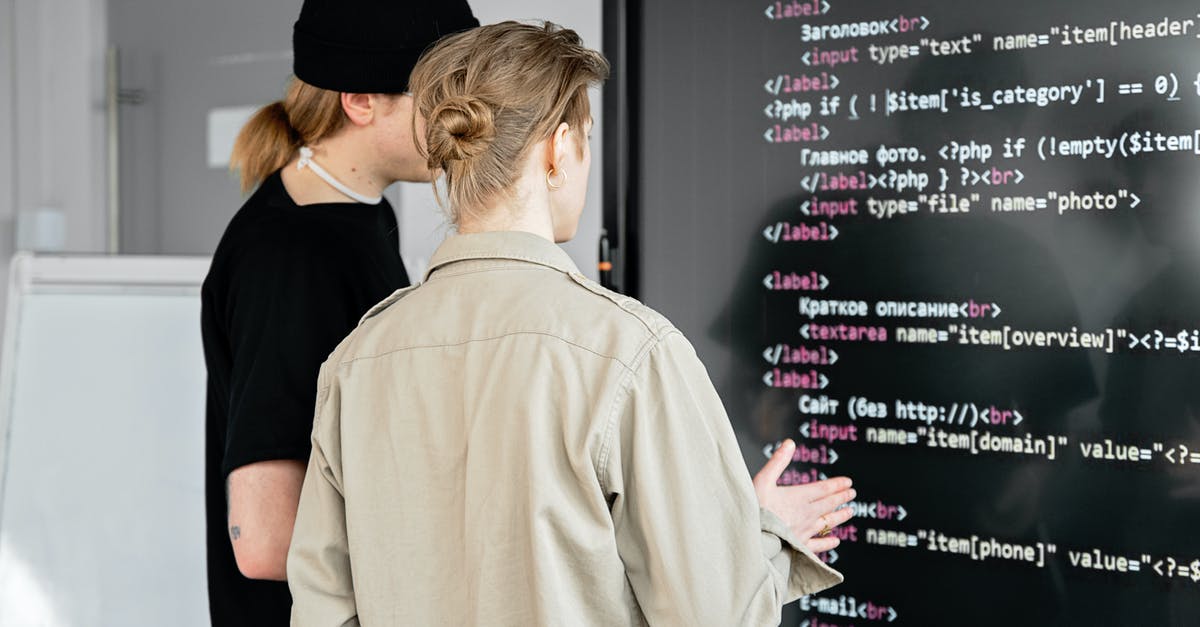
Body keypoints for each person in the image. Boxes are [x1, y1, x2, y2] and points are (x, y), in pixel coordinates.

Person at [286, 21, 853, 626]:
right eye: (585, 140)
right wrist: (754, 538)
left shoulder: (357, 360)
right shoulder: (632, 352)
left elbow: (322, 612)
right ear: (557, 150)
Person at [200, 1, 478, 625]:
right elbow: (267, 541)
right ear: (359, 101)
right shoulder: (291, 256)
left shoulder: (359, 214)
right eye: (445, 94)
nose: (469, 118)